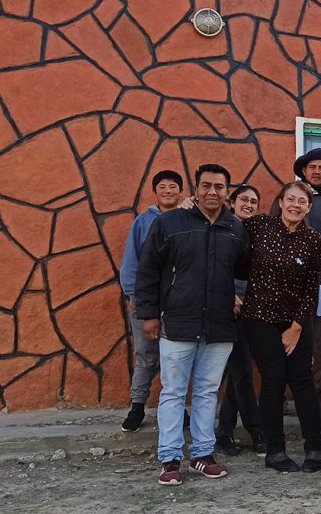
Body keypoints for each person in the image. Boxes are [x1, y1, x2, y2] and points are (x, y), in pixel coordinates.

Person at [134, 164, 249, 486]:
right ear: (196, 189)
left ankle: (202, 454)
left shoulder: (236, 228)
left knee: (207, 392)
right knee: (173, 392)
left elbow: (243, 271)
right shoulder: (169, 223)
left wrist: (237, 298)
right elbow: (148, 270)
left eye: (219, 187)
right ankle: (170, 459)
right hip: (178, 322)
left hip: (219, 324)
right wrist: (149, 314)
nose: (212, 191)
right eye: (206, 185)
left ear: (227, 192)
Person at [241, 181, 321, 472]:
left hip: (296, 321)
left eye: (302, 202)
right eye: (290, 199)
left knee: (302, 381)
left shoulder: (314, 240)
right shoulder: (259, 226)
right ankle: (275, 451)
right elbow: (228, 228)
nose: (295, 206)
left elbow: (311, 288)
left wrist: (296, 327)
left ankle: (314, 446)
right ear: (280, 202)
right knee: (274, 379)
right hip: (259, 317)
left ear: (308, 207)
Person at [269, 148, 321, 413]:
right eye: (312, 167)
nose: (317, 171)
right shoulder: (290, 198)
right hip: (289, 281)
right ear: (304, 170)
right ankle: (280, 391)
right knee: (286, 333)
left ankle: (319, 389)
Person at [119, 170, 183, 433]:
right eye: (162, 186)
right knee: (146, 355)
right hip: (146, 301)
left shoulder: (187, 220)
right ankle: (137, 406)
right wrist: (134, 295)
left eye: (173, 186)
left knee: (175, 358)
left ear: (181, 191)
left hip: (177, 303)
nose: (168, 191)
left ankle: (177, 408)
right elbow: (131, 260)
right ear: (155, 192)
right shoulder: (143, 222)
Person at [214, 185, 265, 456]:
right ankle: (257, 431)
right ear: (232, 202)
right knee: (241, 371)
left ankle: (224, 432)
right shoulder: (222, 229)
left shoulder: (255, 231)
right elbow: (215, 267)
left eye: (254, 201)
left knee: (239, 372)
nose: (249, 204)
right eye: (244, 199)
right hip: (228, 309)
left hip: (252, 309)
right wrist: (230, 295)